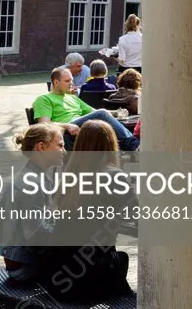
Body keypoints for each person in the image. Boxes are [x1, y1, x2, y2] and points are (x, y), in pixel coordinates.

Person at [52, 120, 134, 301]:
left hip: (59, 280)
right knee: (121, 258)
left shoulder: (68, 175)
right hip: (90, 283)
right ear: (110, 145)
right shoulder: (114, 176)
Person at [0, 124, 65, 287]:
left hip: (23, 259)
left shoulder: (35, 176)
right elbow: (36, 235)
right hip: (25, 267)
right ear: (41, 147)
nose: (64, 151)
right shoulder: (31, 184)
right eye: (60, 146)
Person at [34, 67, 139, 150]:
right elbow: (44, 124)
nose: (71, 83)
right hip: (67, 130)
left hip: (83, 129)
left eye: (71, 80)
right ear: (56, 82)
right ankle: (134, 144)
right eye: (67, 81)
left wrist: (117, 112)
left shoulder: (72, 98)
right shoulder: (44, 99)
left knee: (104, 125)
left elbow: (94, 112)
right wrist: (67, 126)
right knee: (102, 113)